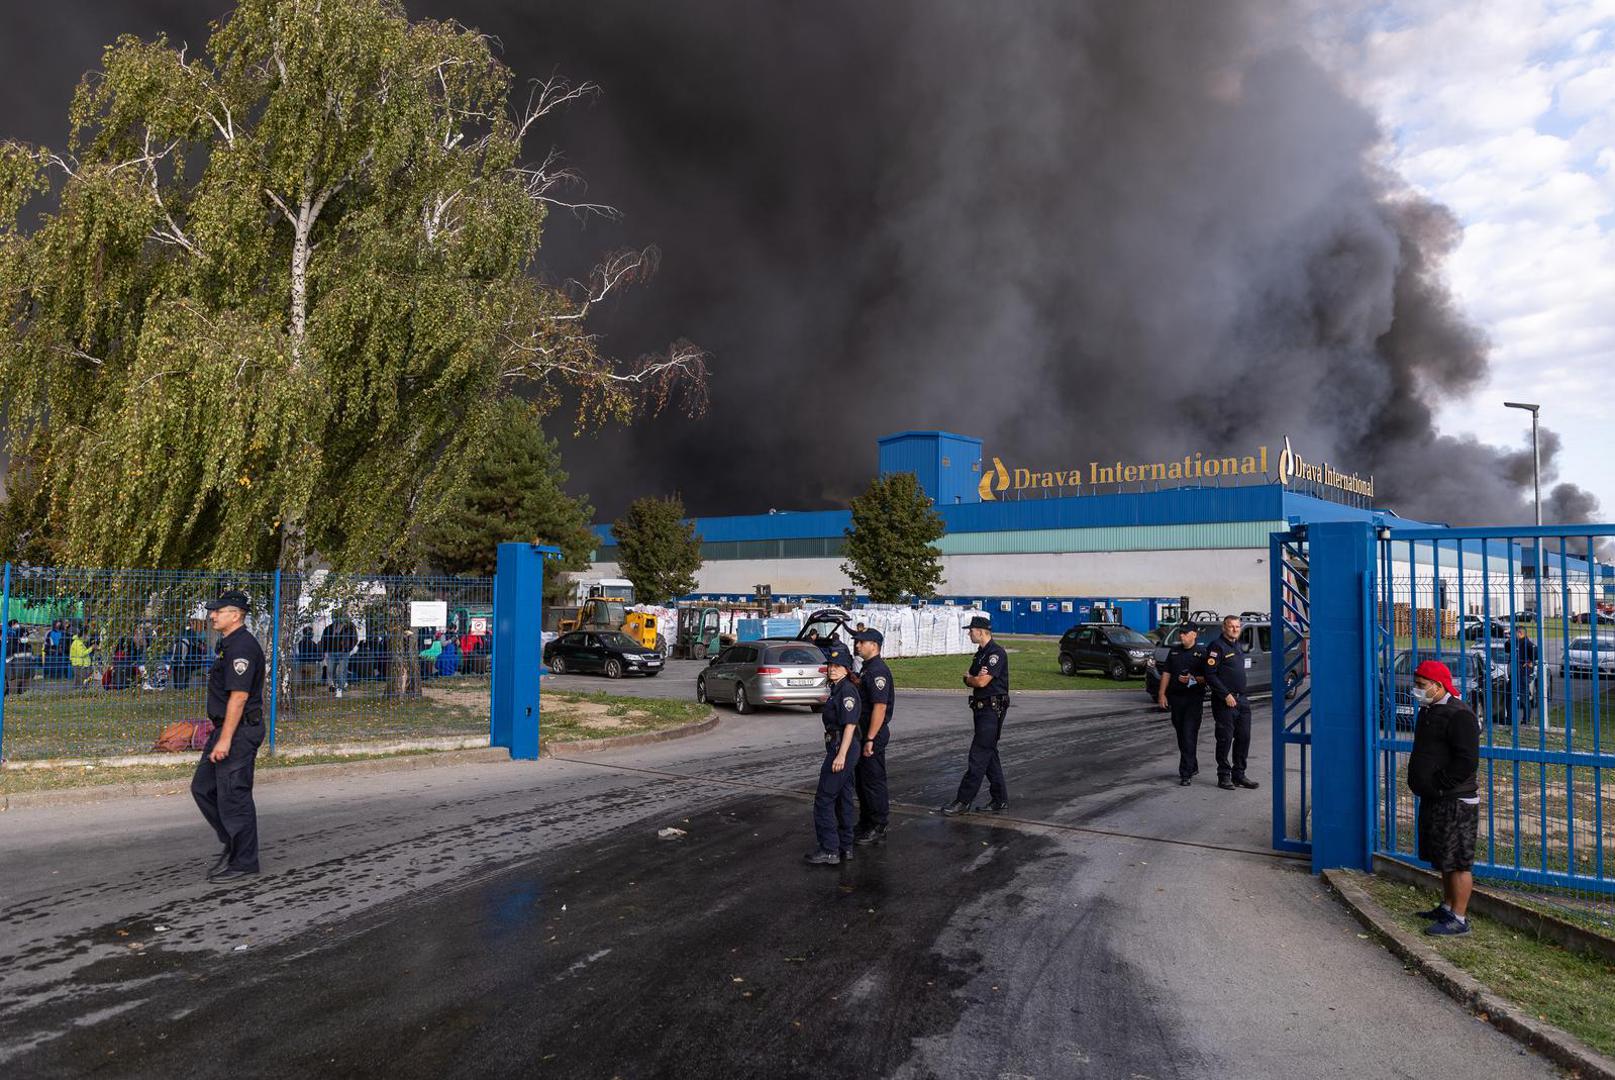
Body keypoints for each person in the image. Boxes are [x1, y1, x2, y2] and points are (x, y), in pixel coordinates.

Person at [190, 589, 267, 884]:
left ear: (235, 615)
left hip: (238, 730)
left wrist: (225, 739)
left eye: (217, 611)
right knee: (203, 788)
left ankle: (245, 862)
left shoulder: (242, 647)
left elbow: (238, 697)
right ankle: (233, 842)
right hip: (227, 728)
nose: (211, 615)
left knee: (235, 796)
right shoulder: (229, 644)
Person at [1407, 659, 1481, 936]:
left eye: (1421, 685)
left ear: (1438, 686)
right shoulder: (1430, 709)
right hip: (1437, 798)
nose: (1416, 690)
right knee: (1444, 857)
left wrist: (1439, 784)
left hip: (1455, 801)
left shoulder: (1459, 715)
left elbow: (1466, 760)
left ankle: (1459, 919)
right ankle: (1448, 907)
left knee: (1459, 861)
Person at [941, 616, 1010, 815]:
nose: (969, 633)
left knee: (978, 755)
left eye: (971, 630)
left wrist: (971, 679)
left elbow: (980, 682)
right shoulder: (981, 654)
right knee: (989, 755)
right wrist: (972, 678)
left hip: (991, 710)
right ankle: (999, 799)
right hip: (981, 709)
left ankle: (963, 800)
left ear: (980, 631)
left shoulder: (995, 653)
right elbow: (969, 676)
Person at [805, 643, 864, 866]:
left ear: (847, 668)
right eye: (830, 664)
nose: (832, 668)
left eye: (838, 665)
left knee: (824, 798)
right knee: (844, 797)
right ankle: (845, 847)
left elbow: (849, 726)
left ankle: (829, 849)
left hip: (843, 748)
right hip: (842, 747)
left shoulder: (847, 690)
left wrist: (841, 755)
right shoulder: (838, 688)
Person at [1204, 614, 1259, 791]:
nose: (1235, 629)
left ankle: (1239, 774)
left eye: (1237, 626)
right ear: (1224, 628)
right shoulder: (1216, 647)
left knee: (1244, 737)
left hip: (1241, 700)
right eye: (1231, 626)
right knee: (1225, 738)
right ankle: (1224, 776)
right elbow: (1210, 674)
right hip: (1224, 701)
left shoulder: (1237, 645)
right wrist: (1225, 695)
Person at [852, 628, 894, 845]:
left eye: (861, 642)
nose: (857, 645)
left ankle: (879, 824)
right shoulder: (866, 669)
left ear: (874, 645)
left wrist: (869, 738)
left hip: (872, 734)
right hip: (863, 732)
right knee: (862, 780)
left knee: (873, 780)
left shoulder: (878, 671)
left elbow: (879, 707)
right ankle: (866, 820)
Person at [1157, 625, 1207, 785]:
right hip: (1176, 698)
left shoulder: (1202, 653)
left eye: (1185, 633)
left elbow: (1209, 677)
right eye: (1180, 633)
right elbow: (1166, 673)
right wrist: (1161, 694)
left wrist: (1193, 679)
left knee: (1188, 733)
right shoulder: (1174, 651)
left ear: (1194, 634)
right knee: (1181, 735)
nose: (1181, 636)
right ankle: (1192, 765)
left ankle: (1185, 774)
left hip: (1193, 699)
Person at [1508, 623, 1538, 725]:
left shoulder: (1527, 643)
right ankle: (1510, 719)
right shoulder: (1514, 642)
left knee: (1524, 698)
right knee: (1509, 697)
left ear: (1519, 633)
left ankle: (1526, 720)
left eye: (1513, 633)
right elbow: (1506, 648)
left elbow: (1536, 654)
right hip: (1513, 675)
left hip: (1523, 675)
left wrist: (1530, 663)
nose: (1511, 635)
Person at [331, 617, 358, 697]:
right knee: (333, 671)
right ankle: (342, 684)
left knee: (341, 670)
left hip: (344, 652)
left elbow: (355, 639)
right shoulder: (334, 626)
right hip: (333, 651)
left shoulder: (350, 626)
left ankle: (339, 689)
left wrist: (348, 648)